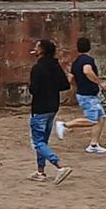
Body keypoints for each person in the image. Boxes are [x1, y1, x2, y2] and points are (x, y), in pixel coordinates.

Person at [28, 38, 74, 185]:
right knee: (43, 141)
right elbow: (65, 85)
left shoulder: (37, 68)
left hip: (40, 107)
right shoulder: (55, 66)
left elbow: (33, 90)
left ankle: (59, 166)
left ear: (41, 51)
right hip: (53, 107)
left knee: (38, 142)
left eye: (37, 47)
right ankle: (40, 171)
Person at [54, 35, 106, 154]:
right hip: (88, 95)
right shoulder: (87, 60)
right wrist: (100, 82)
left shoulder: (75, 62)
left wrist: (78, 86)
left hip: (85, 94)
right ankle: (64, 125)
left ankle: (93, 144)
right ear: (89, 47)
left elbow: (72, 78)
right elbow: (87, 71)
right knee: (92, 120)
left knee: (101, 117)